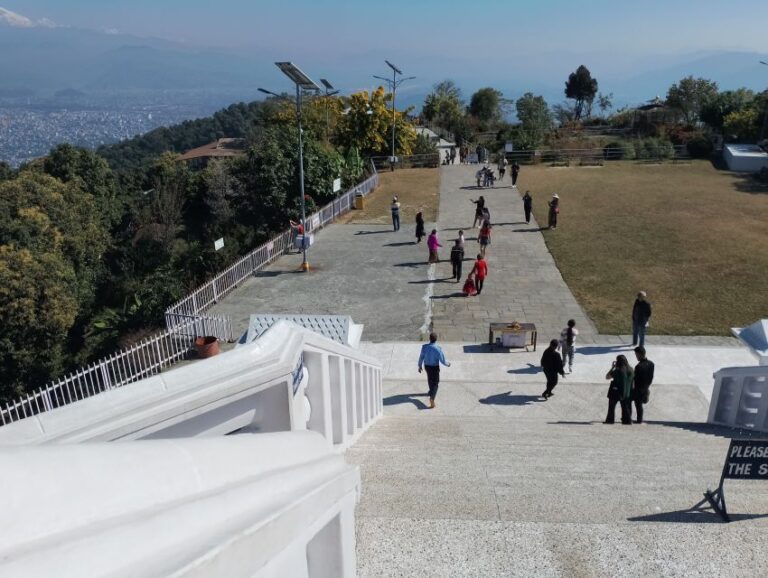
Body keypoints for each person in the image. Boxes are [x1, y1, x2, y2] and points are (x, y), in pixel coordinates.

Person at [418, 332, 451, 409]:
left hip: (427, 366)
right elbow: (442, 361)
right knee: (436, 383)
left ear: (429, 339)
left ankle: (430, 392)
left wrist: (419, 366)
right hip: (434, 367)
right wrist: (448, 364)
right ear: (436, 339)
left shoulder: (424, 347)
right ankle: (432, 398)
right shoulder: (438, 349)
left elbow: (421, 357)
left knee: (430, 379)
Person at [605, 355, 634, 425]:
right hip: (627, 392)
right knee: (625, 407)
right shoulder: (631, 370)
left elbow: (607, 377)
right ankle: (627, 420)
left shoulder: (618, 370)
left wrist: (612, 367)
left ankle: (610, 420)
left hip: (616, 391)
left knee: (611, 407)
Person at [632, 346, 655, 424]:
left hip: (638, 388)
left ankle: (638, 420)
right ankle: (639, 420)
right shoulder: (651, 364)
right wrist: (647, 386)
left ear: (639, 354)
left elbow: (635, 379)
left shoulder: (638, 366)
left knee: (637, 404)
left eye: (636, 355)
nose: (636, 357)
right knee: (639, 404)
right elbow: (651, 377)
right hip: (646, 387)